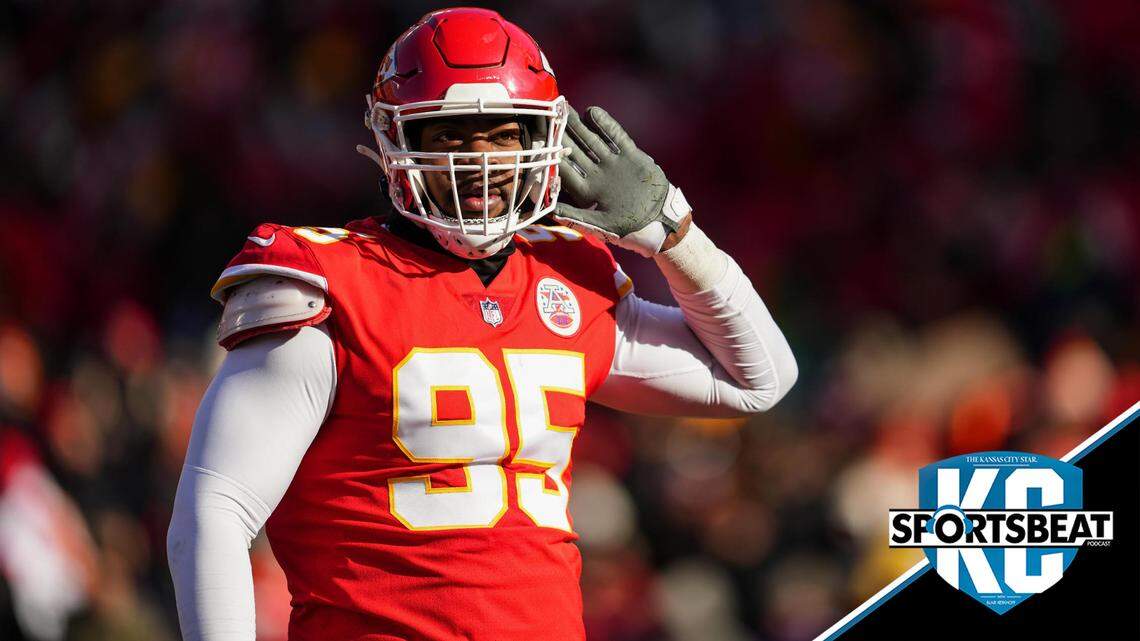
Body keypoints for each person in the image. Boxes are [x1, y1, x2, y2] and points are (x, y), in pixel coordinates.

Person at [167, 7, 797, 641]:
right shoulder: (330, 283)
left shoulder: (568, 276)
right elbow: (215, 511)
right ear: (395, 141)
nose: (481, 160)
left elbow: (758, 380)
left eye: (504, 134)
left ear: (544, 141)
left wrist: (673, 233)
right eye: (450, 134)